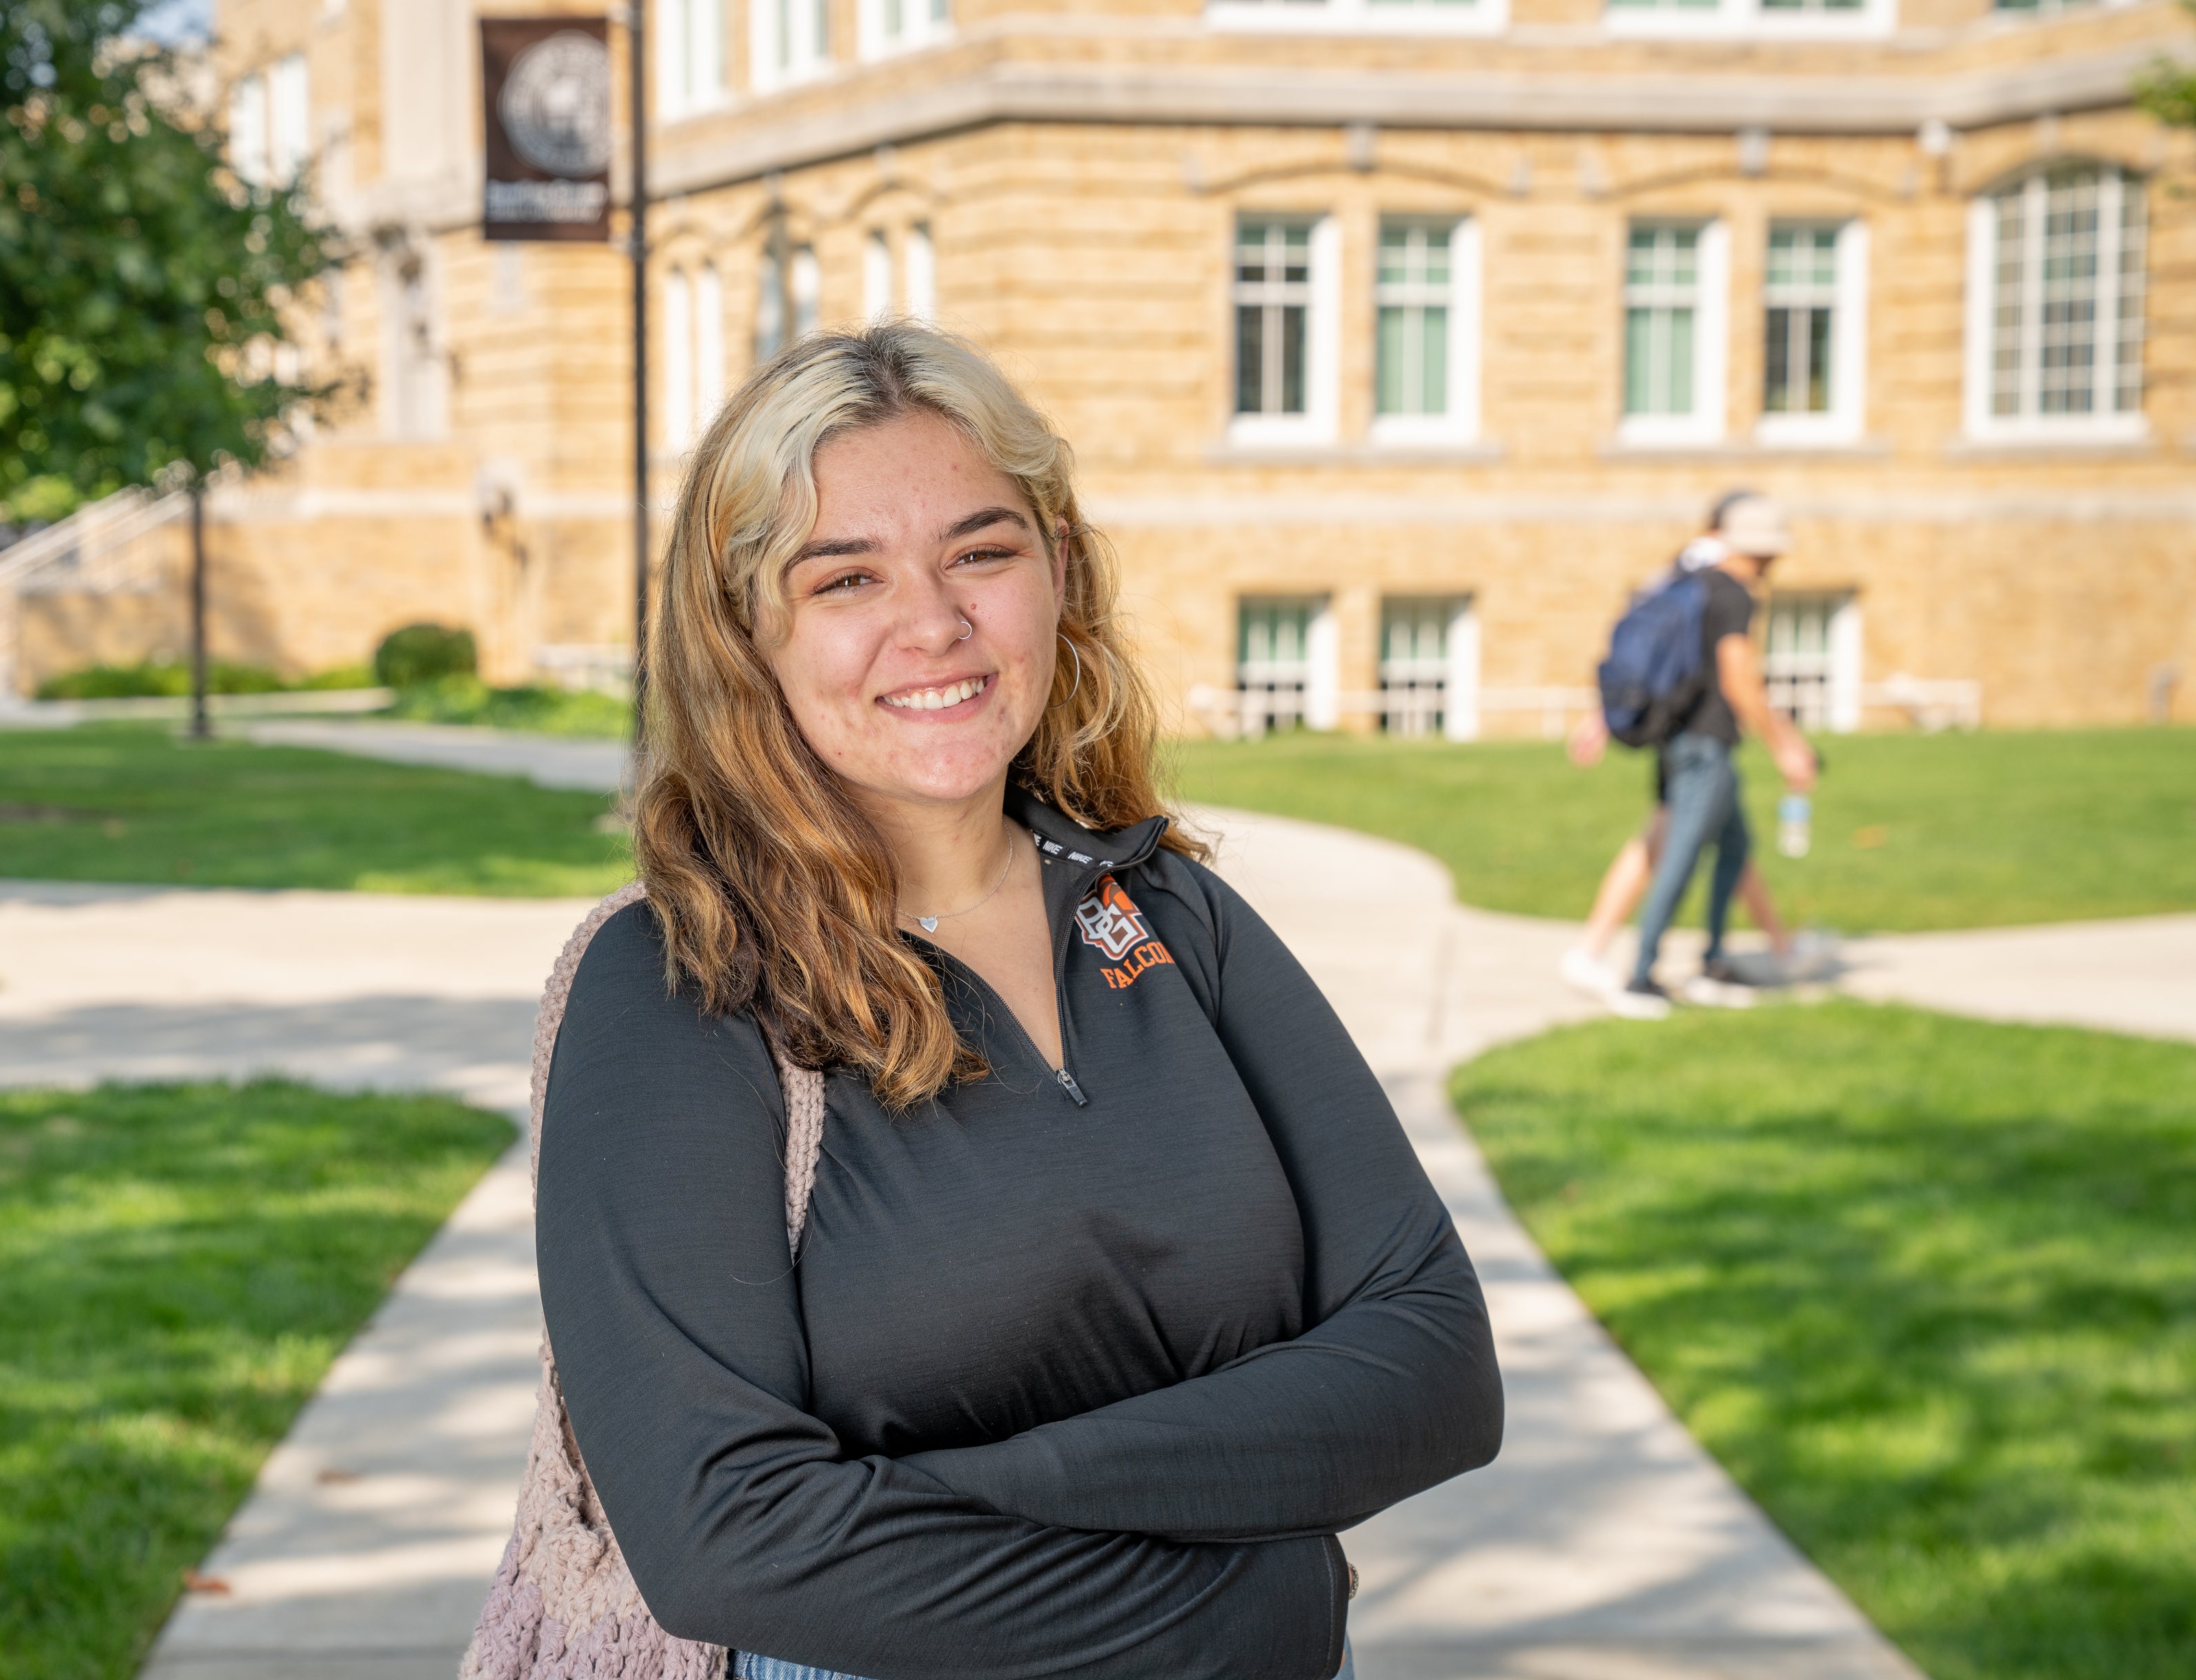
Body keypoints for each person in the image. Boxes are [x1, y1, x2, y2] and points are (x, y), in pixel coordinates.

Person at [533, 325, 1503, 1680]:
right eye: (846, 576)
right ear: (744, 628)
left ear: (1059, 568)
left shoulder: (1165, 911)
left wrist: (988, 1483)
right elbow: (726, 1536)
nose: (932, 624)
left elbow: (1435, 1365)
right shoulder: (683, 982)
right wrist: (1246, 1594)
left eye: (981, 553)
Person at [1614, 492, 1817, 1018]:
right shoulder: (1732, 594)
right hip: (1705, 746)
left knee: (1735, 847)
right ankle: (1640, 976)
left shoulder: (1693, 585)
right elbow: (1738, 678)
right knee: (1681, 858)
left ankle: (1715, 962)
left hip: (1681, 739)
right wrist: (1785, 746)